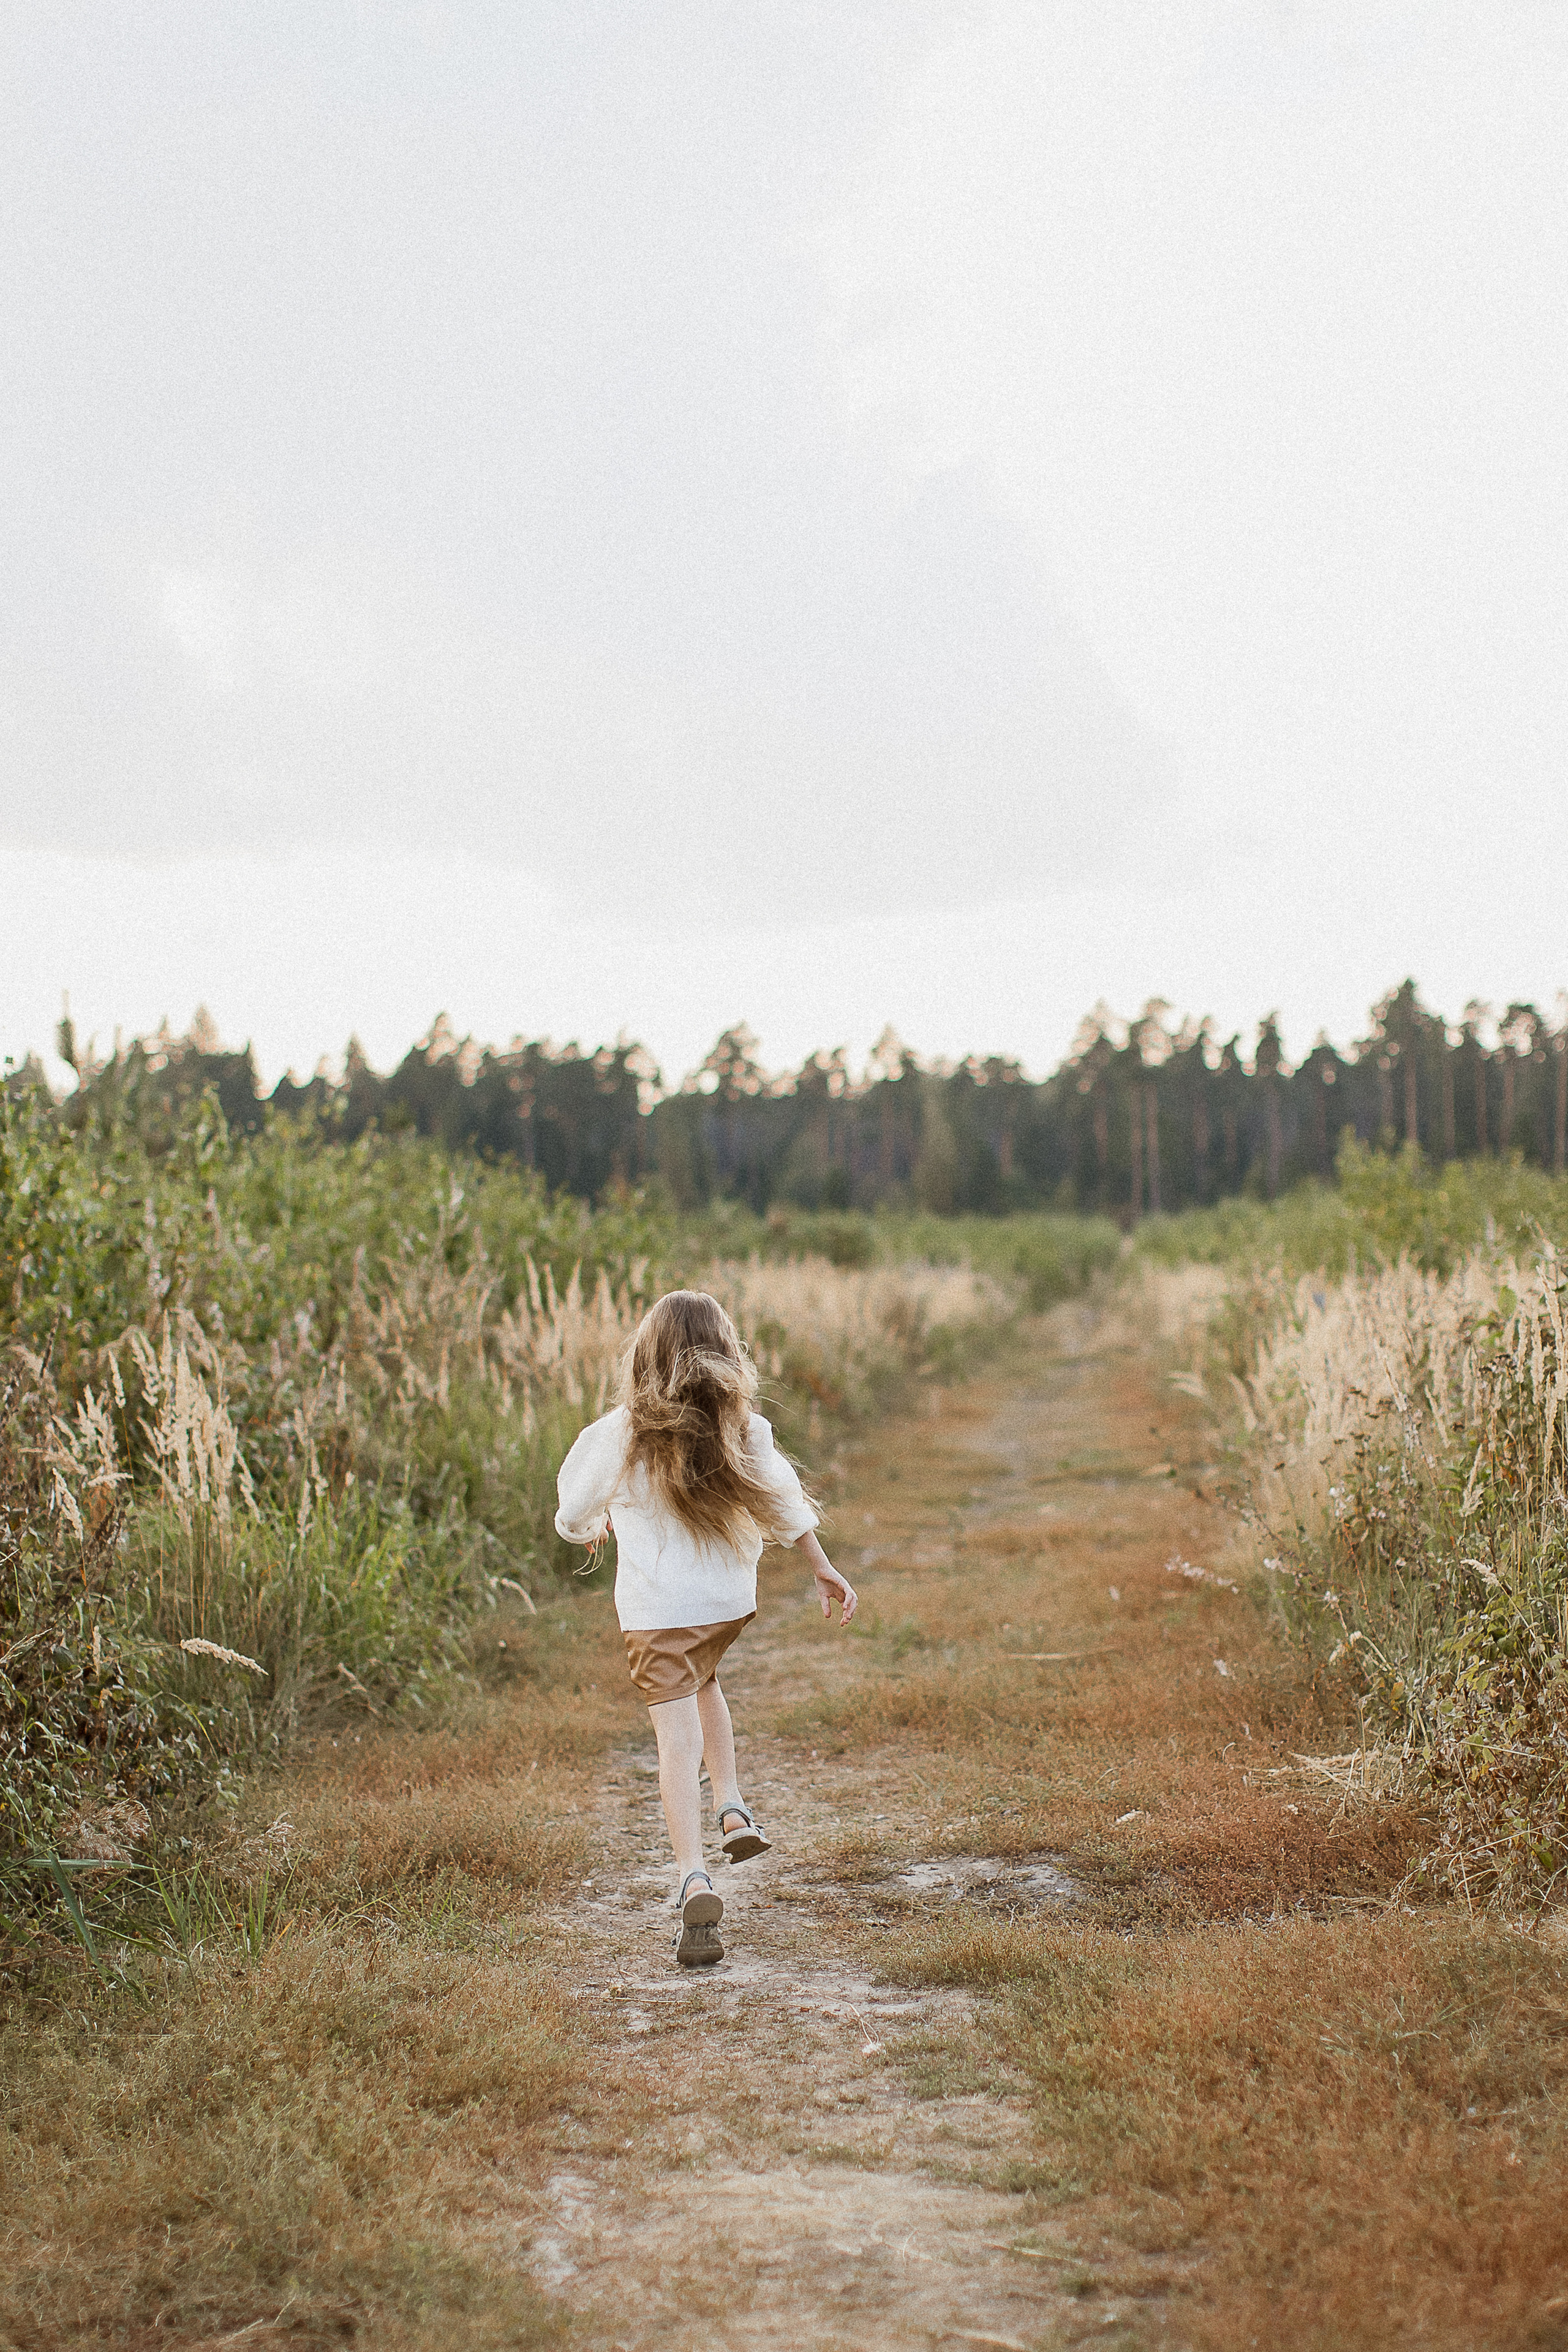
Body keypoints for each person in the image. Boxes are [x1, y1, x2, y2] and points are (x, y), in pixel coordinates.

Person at [555, 1287, 858, 1966]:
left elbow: (573, 1502)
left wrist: (586, 1527)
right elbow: (782, 1497)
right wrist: (822, 1566)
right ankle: (732, 1804)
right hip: (725, 1606)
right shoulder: (741, 1427)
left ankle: (692, 1875)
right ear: (723, 1352)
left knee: (672, 1740)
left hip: (658, 1615)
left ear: (646, 1352)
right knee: (706, 1678)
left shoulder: (622, 1431)